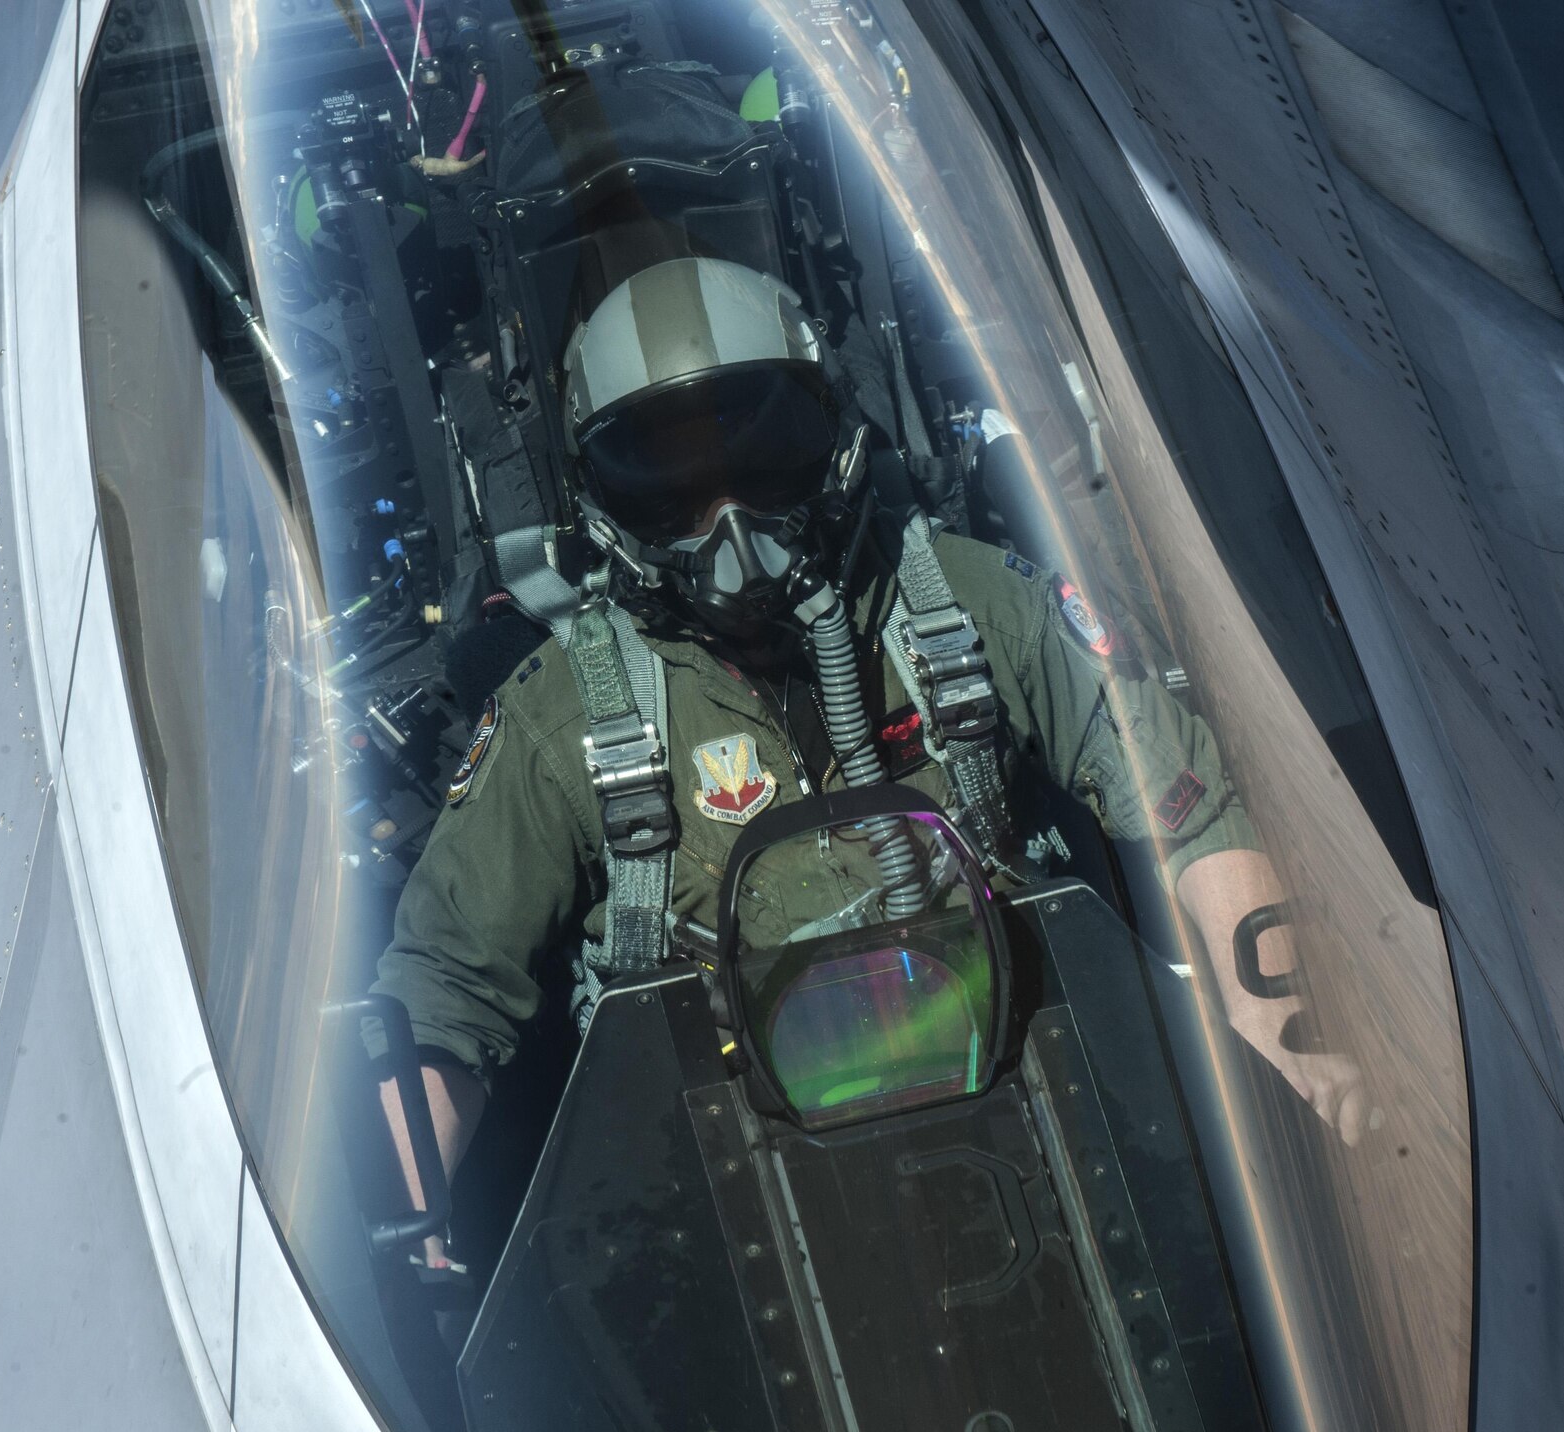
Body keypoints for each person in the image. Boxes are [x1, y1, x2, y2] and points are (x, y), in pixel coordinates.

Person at [373, 259, 1368, 1242]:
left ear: (828, 429)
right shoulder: (567, 721)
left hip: (1036, 1118)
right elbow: (442, 995)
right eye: (669, 482)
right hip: (744, 1202)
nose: (731, 525)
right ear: (604, 499)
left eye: (758, 454)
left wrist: (1279, 1042)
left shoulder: (972, 607)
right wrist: (406, 1237)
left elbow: (1185, 805)